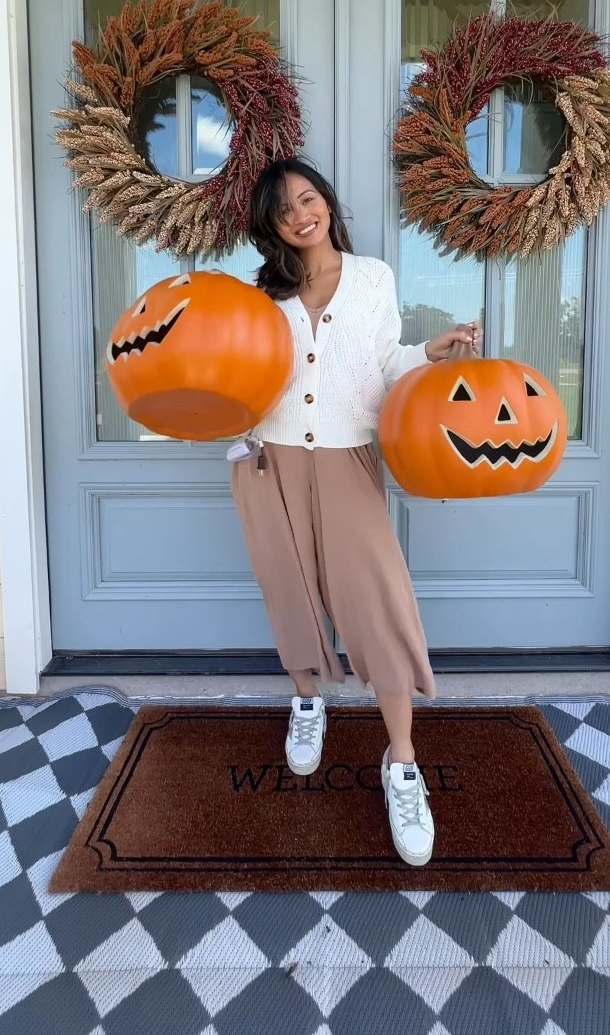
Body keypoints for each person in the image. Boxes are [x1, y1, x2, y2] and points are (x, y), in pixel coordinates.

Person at [231, 158, 481, 867]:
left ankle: (401, 760)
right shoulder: (262, 291)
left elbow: (381, 362)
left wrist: (434, 351)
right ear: (270, 226)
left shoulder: (372, 278)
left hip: (347, 458)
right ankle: (307, 697)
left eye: (307, 199)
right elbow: (235, 365)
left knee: (375, 606)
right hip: (268, 458)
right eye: (283, 210)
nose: (300, 215)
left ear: (327, 202)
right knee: (291, 590)